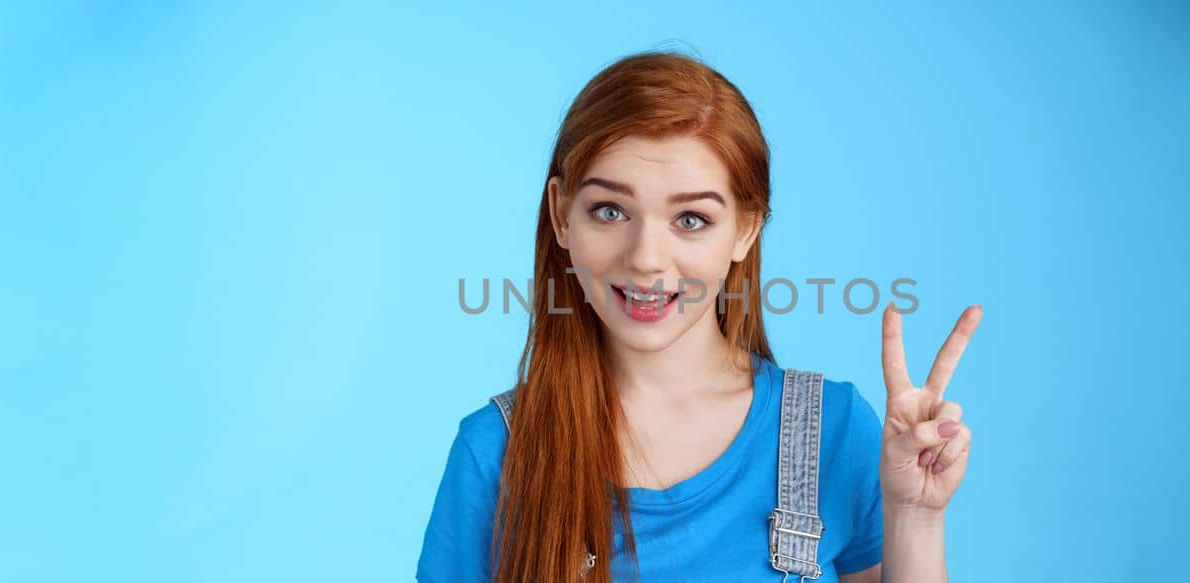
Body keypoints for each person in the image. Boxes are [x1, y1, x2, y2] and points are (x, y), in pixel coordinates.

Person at [416, 51, 984, 582]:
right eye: (609, 210)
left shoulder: (834, 432)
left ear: (745, 228)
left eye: (690, 219)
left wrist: (915, 515)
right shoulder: (496, 452)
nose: (645, 258)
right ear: (562, 218)